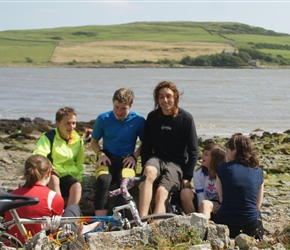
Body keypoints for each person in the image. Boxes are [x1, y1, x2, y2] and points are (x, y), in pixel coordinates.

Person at [5, 155, 98, 244]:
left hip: (12, 242)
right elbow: (56, 228)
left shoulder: (12, 195)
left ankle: (86, 228)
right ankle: (85, 229)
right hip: (42, 242)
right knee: (73, 208)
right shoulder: (53, 197)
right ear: (49, 173)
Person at [138, 80, 199, 217]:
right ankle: (141, 220)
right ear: (157, 99)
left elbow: (194, 151)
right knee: (148, 171)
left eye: (168, 96)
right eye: (161, 97)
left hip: (176, 164)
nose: (165, 100)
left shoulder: (186, 119)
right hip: (157, 159)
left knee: (161, 192)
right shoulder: (152, 117)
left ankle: (155, 226)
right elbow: (146, 146)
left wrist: (187, 177)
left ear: (175, 97)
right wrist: (144, 164)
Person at [91, 88, 145, 216]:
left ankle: (117, 219)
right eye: (116, 107)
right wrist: (101, 154)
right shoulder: (103, 118)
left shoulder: (139, 120)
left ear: (130, 106)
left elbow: (145, 143)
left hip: (126, 159)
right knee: (104, 180)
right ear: (112, 103)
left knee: (125, 183)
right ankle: (100, 221)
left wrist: (134, 156)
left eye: (123, 108)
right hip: (107, 158)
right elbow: (93, 142)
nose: (119, 112)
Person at [213, 134, 264, 239]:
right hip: (251, 226)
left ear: (234, 151)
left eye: (227, 151)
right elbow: (257, 206)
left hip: (227, 224)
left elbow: (222, 199)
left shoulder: (222, 168)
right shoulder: (258, 171)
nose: (226, 155)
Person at [33, 107, 85, 206]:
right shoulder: (48, 137)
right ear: (57, 123)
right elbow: (39, 155)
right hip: (49, 176)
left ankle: (71, 216)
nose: (71, 127)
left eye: (73, 123)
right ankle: (58, 212)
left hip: (68, 176)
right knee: (54, 178)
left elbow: (79, 163)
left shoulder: (78, 140)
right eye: (67, 123)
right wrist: (48, 165)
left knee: (77, 186)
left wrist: (78, 178)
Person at [180, 143, 226, 219]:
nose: (202, 156)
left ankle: (203, 226)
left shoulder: (224, 174)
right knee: (185, 192)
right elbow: (200, 196)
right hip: (203, 203)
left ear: (215, 159)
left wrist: (221, 206)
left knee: (206, 204)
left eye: (206, 154)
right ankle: (194, 221)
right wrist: (201, 209)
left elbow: (227, 195)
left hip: (218, 205)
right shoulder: (198, 174)